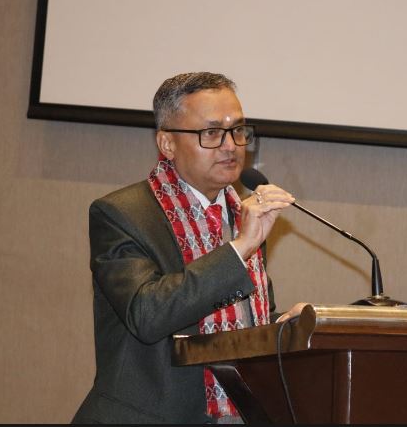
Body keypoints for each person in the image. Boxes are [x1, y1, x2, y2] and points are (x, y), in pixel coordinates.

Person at [72, 72, 305, 424]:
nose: (231, 145)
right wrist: (239, 248)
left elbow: (241, 325)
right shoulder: (121, 214)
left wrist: (290, 327)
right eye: (211, 133)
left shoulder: (242, 215)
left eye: (238, 130)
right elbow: (147, 314)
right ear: (167, 143)